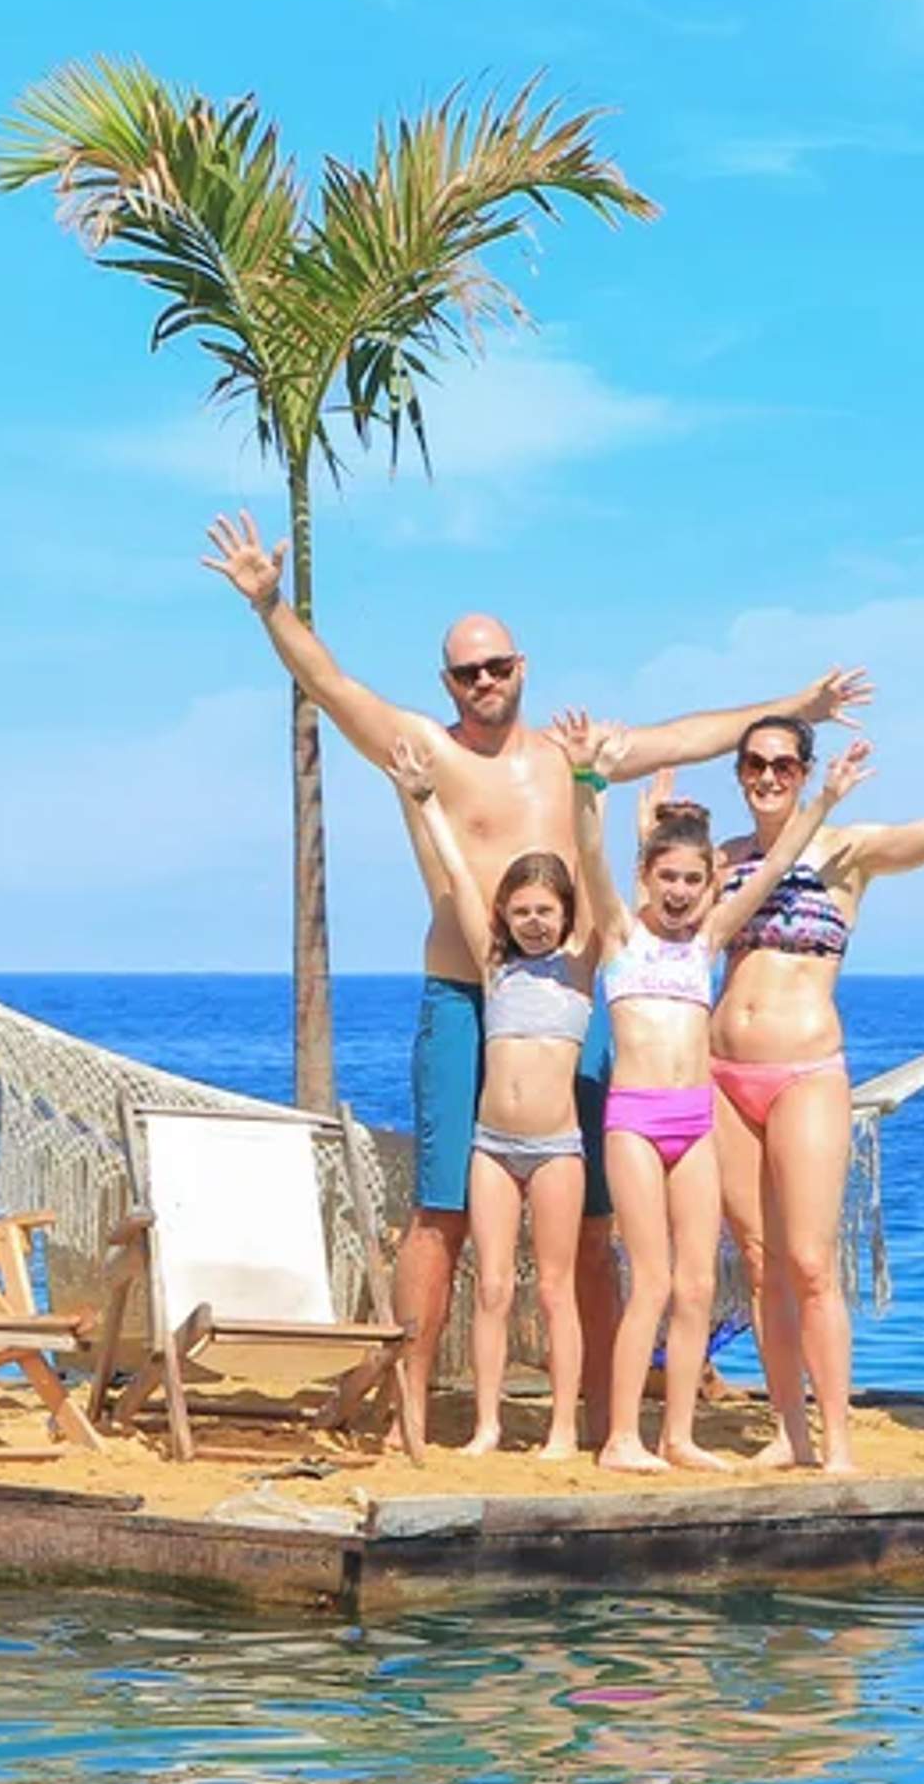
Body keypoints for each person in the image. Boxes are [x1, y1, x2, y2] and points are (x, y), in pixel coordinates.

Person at [197, 511, 869, 1456]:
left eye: (497, 667)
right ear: (448, 683)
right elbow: (332, 684)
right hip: (464, 998)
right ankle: (412, 1419)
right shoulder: (423, 748)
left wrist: (795, 702)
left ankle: (600, 1419)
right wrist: (269, 603)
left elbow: (694, 730)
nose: (484, 683)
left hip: (573, 1009)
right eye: (467, 672)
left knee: (591, 1219)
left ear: (523, 668)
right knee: (439, 1217)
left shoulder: (566, 756)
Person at [712, 675, 924, 1474]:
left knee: (812, 1262)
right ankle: (787, 1430)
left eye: (783, 765)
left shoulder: (846, 851)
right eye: (753, 764)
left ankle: (839, 1439)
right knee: (758, 1263)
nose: (766, 777)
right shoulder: (719, 860)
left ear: (805, 769)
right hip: (720, 1071)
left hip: (805, 1070)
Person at [552, 713, 869, 1471]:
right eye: (668, 878)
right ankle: (624, 1436)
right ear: (647, 879)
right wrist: (586, 780)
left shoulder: (708, 941)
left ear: (708, 886)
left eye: (694, 880)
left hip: (696, 1122)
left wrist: (823, 801)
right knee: (653, 1280)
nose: (682, 892)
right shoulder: (623, 939)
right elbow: (590, 855)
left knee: (699, 1283)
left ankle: (679, 1434)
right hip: (634, 1120)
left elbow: (776, 863)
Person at [386, 737, 593, 1456]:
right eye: (524, 910)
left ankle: (564, 1428)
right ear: (507, 916)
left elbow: (592, 866)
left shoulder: (581, 969)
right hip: (492, 1148)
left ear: (567, 917)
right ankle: (487, 1425)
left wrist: (588, 784)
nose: (535, 921)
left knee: (556, 1290)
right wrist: (423, 800)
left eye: (548, 910)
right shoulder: (495, 965)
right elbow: (457, 873)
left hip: (559, 1149)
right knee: (496, 1287)